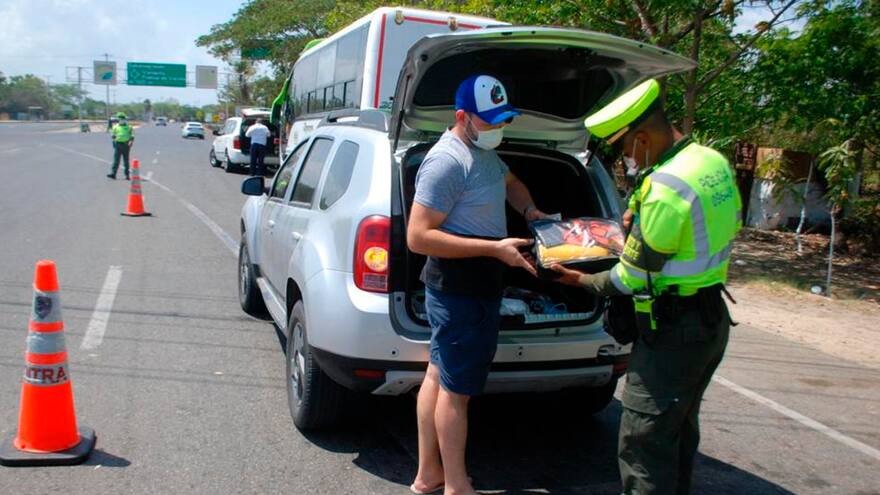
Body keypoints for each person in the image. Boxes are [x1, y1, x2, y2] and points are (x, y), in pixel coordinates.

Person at [550, 79, 742, 495]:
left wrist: (581, 279)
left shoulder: (666, 187)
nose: (626, 161)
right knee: (678, 429)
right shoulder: (710, 162)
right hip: (711, 318)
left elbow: (629, 277)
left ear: (640, 137)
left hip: (675, 331)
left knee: (643, 442)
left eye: (623, 151)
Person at [407, 75, 548, 495]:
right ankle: (456, 486)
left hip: (476, 282)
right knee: (457, 392)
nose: (497, 128)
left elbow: (510, 183)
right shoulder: (448, 161)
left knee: (438, 375)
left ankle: (428, 475)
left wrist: (530, 210)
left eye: (502, 120)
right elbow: (418, 236)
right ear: (462, 117)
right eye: (489, 121)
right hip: (460, 288)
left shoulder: (484, 152)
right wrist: (492, 250)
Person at [107, 112, 134, 180]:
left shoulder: (129, 127)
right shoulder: (115, 127)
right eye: (120, 119)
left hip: (126, 145)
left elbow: (132, 136)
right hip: (118, 144)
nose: (121, 120)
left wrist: (131, 142)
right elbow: (113, 135)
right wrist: (114, 142)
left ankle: (127, 175)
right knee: (116, 160)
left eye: (123, 118)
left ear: (125, 119)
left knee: (126, 161)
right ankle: (113, 173)